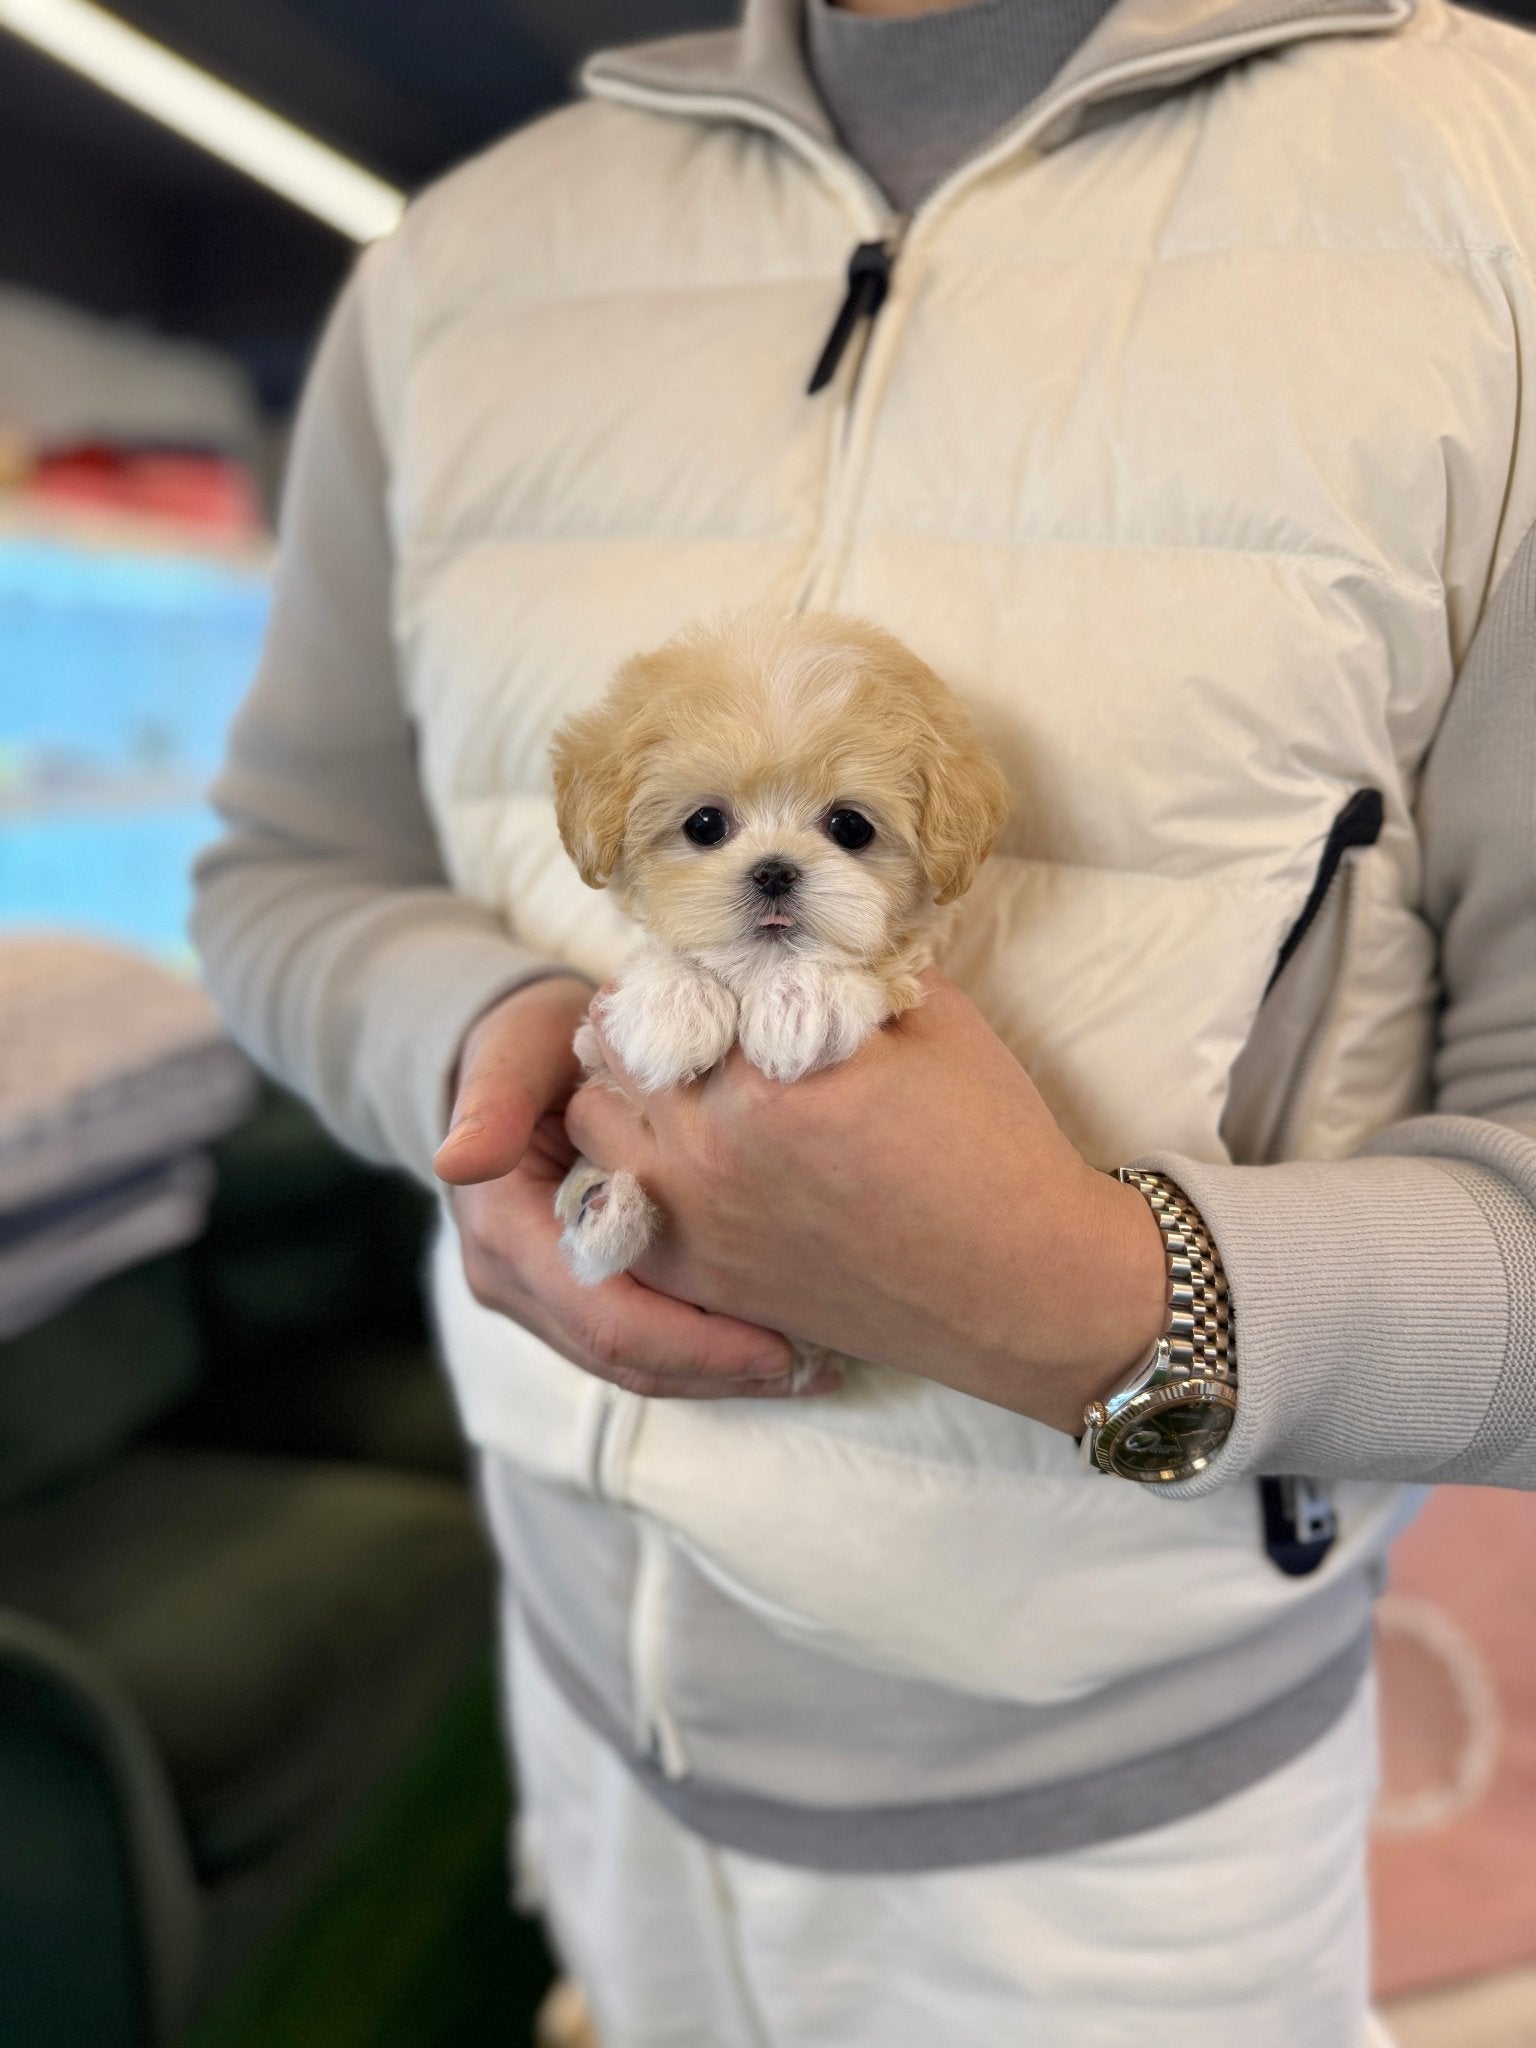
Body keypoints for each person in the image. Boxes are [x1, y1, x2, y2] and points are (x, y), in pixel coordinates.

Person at [192, 0, 1536, 2040]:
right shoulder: (459, 262)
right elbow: (282, 868)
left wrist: (1104, 1288)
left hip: (1129, 1843)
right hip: (576, 1697)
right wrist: (481, 1047)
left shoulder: (1495, 179)